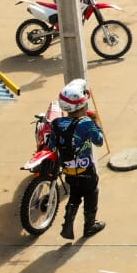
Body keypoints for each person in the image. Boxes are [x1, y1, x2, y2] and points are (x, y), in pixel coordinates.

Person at [50, 79, 106, 241]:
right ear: (82, 106)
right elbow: (99, 141)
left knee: (75, 193)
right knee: (91, 193)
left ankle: (68, 223)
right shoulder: (86, 123)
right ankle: (89, 225)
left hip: (68, 169)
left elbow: (52, 144)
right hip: (86, 169)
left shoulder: (56, 123)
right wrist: (96, 121)